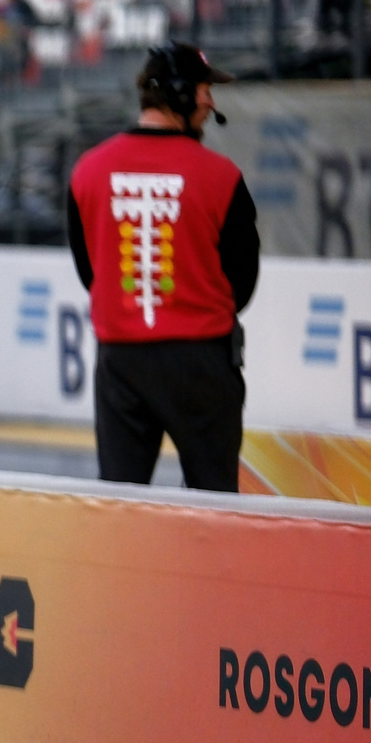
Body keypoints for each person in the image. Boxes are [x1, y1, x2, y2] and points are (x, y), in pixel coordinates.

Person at [65, 44, 260, 491]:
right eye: (205, 90)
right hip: (201, 360)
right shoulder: (221, 176)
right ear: (181, 94)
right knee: (216, 504)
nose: (211, 103)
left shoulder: (88, 170)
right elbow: (242, 279)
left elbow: (89, 269)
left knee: (121, 502)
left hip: (121, 360)